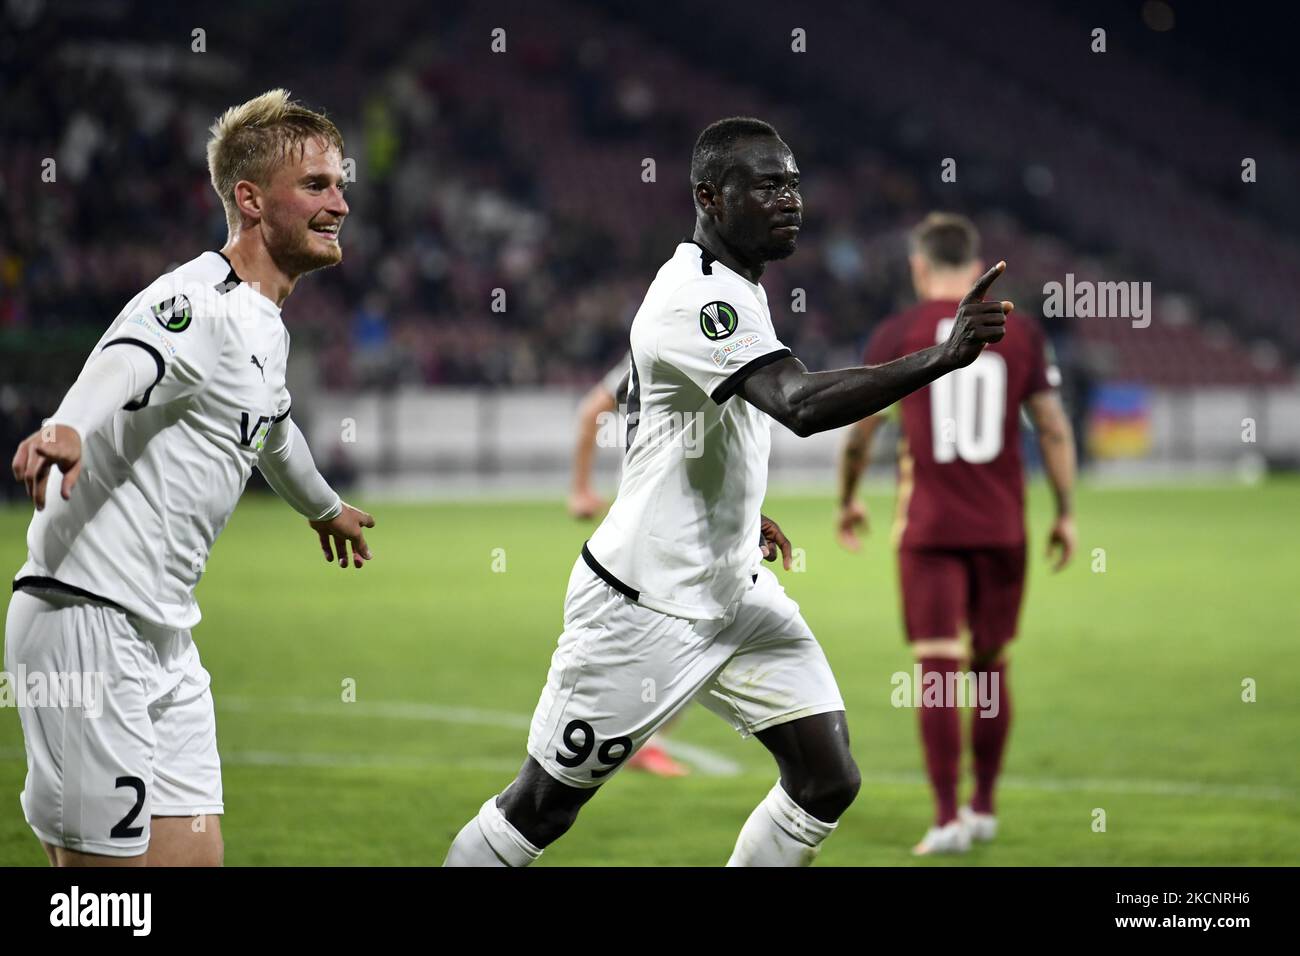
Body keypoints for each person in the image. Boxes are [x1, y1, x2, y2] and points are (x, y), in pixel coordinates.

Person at [444, 118, 1011, 866]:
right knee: (540, 808)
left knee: (825, 779)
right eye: (768, 184)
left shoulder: (734, 287)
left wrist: (738, 512)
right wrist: (942, 356)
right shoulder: (697, 297)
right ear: (710, 197)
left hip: (733, 594)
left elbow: (675, 426)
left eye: (795, 182)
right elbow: (799, 405)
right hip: (644, 606)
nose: (791, 199)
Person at [5, 89, 374, 866]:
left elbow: (275, 433)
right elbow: (129, 356)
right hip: (85, 622)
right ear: (249, 198)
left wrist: (324, 507)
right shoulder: (197, 299)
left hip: (167, 639)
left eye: (340, 184)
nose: (339, 202)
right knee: (104, 905)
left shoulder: (262, 329)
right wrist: (69, 424)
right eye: (316, 185)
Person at [836, 212, 1076, 854]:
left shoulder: (896, 331)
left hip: (931, 528)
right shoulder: (1018, 331)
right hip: (1002, 528)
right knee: (991, 667)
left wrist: (849, 500)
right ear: (976, 270)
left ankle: (945, 818)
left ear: (919, 267)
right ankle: (985, 806)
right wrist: (1066, 511)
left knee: (937, 668)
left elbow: (862, 428)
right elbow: (1052, 427)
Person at [568, 353, 689, 777]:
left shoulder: (658, 344)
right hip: (662, 530)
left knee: (681, 638)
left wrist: (583, 490)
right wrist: (581, 489)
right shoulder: (663, 349)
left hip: (677, 532)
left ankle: (623, 734)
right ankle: (618, 736)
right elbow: (591, 412)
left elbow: (591, 412)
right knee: (693, 636)